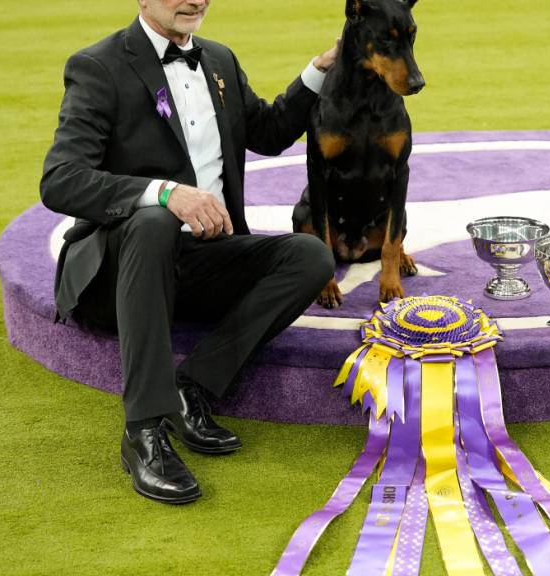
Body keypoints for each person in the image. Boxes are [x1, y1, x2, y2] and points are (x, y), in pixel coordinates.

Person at [39, 0, 339, 504]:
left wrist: (318, 70)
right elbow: (60, 180)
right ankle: (144, 430)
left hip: (201, 263)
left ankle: (191, 387)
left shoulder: (218, 59)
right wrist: (164, 192)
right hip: (118, 274)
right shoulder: (98, 65)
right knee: (156, 220)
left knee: (310, 256)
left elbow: (266, 132)